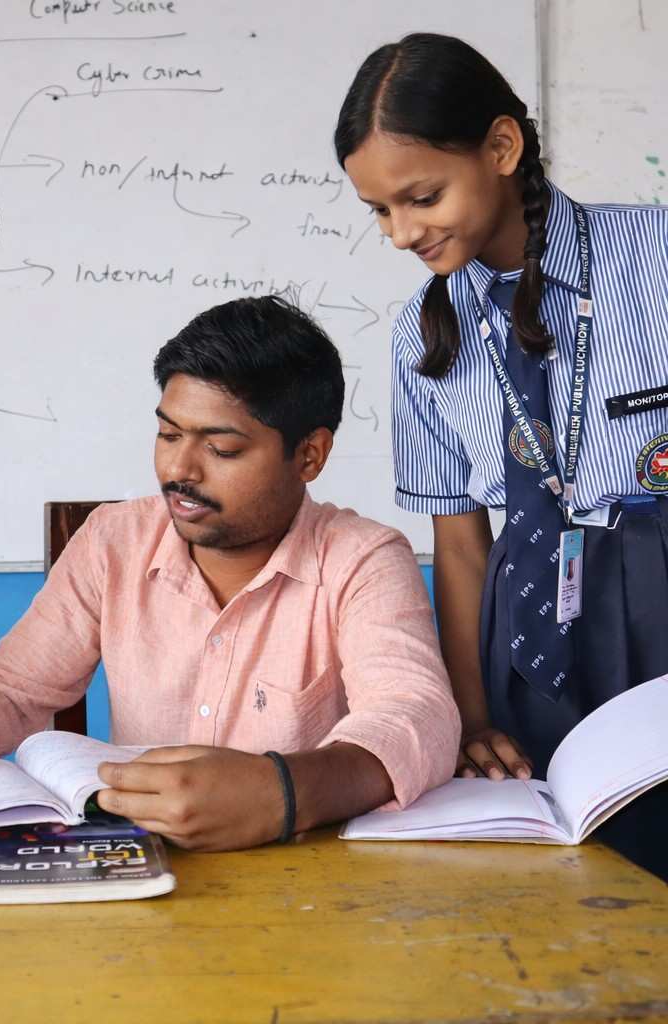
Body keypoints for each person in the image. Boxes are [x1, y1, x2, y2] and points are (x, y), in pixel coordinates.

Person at [0, 295, 460, 851]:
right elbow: (17, 685)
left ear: (309, 455)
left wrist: (280, 792)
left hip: (304, 874)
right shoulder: (114, 541)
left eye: (222, 449)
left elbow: (414, 714)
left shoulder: (363, 558)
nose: (180, 470)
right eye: (168, 434)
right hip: (138, 864)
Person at [335, 33, 668, 877]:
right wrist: (471, 717)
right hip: (524, 633)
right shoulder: (420, 337)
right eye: (379, 211)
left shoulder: (655, 258)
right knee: (556, 881)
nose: (401, 233)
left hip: (657, 609)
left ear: (502, 147)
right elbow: (459, 544)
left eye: (421, 197)